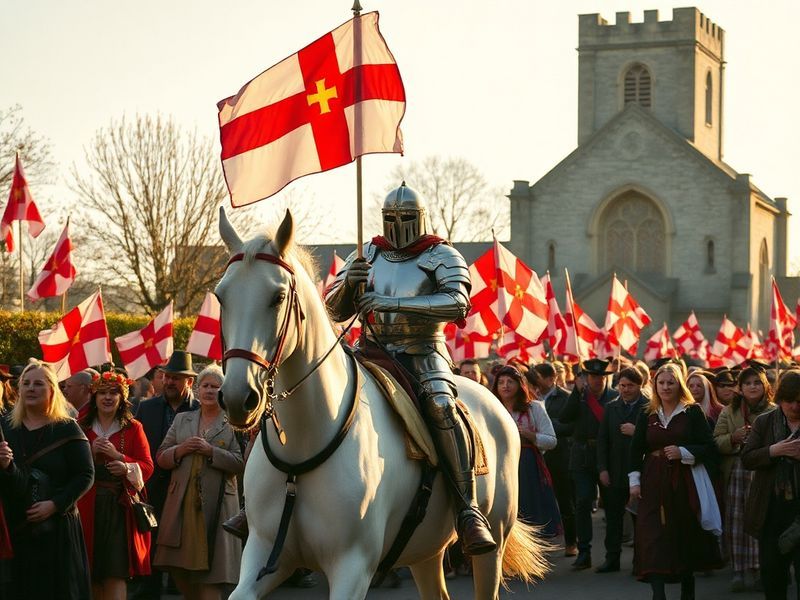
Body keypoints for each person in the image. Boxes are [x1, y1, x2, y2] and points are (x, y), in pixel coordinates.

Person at [325, 183, 496, 555]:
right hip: (370, 350)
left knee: (441, 406)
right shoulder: (368, 252)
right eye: (391, 218)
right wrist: (348, 286)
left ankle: (467, 508)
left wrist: (393, 301)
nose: (397, 224)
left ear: (419, 218)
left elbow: (458, 303)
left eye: (404, 217)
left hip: (422, 351)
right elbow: (334, 311)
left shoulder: (441, 254)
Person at [0, 360, 95, 599]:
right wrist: (5, 466)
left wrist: (55, 504)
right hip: (15, 528)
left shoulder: (67, 428)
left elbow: (85, 475)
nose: (31, 388)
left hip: (56, 529)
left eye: (39, 384)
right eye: (26, 384)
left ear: (52, 390)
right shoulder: (5, 427)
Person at [629, 362, 722, 600]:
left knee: (683, 531)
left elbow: (708, 447)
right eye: (661, 383)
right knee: (652, 534)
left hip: (684, 481)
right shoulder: (646, 412)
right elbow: (635, 450)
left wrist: (684, 452)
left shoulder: (691, 411)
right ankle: (657, 593)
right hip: (652, 480)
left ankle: (686, 587)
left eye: (671, 382)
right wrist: (634, 481)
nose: (666, 387)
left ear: (679, 384)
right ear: (655, 385)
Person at [153, 365, 243, 600]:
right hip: (181, 506)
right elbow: (161, 457)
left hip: (218, 508)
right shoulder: (183, 419)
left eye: (216, 386)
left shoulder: (234, 422)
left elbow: (241, 463)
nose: (210, 391)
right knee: (179, 572)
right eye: (205, 386)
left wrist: (211, 452)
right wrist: (180, 450)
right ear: (197, 389)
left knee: (212, 577)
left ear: (223, 392)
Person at [76, 370, 154, 599]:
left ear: (122, 398)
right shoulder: (80, 426)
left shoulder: (133, 427)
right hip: (85, 506)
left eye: (113, 393)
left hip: (118, 509)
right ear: (94, 397)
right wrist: (89, 452)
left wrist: (122, 460)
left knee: (115, 571)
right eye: (102, 393)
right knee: (88, 569)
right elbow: (67, 465)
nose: (107, 398)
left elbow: (148, 466)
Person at [133, 351, 199, 599]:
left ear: (189, 382)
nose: (170, 382)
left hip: (186, 487)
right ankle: (148, 588)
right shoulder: (146, 408)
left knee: (180, 540)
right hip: (153, 486)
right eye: (167, 376)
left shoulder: (200, 409)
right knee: (151, 536)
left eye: (176, 378)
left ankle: (178, 584)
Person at [714, 365, 775, 592]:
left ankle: (760, 569)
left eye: (757, 383)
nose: (752, 387)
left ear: (765, 386)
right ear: (740, 387)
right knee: (736, 521)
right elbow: (716, 440)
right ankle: (738, 571)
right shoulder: (729, 411)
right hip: (736, 472)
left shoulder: (774, 411)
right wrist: (733, 438)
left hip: (762, 472)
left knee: (761, 519)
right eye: (747, 383)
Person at [742, 369, 800, 600]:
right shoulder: (765, 422)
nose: (795, 407)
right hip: (771, 509)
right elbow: (747, 458)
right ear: (780, 400)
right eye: (789, 401)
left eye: (799, 401)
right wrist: (773, 451)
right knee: (773, 575)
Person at [559, 358, 619, 569]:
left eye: (601, 377)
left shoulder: (614, 397)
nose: (597, 381)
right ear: (585, 377)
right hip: (582, 456)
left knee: (612, 506)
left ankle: (613, 554)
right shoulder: (578, 396)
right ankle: (584, 551)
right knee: (583, 501)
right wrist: (576, 392)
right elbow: (565, 417)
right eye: (593, 376)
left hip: (608, 457)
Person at [492, 365, 561, 536]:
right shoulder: (491, 409)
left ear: (520, 384)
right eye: (501, 382)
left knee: (530, 513)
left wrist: (531, 435)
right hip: (498, 466)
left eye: (510, 382)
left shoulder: (534, 408)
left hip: (527, 465)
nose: (505, 386)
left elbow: (551, 441)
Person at [595, 366, 647, 573]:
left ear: (640, 386)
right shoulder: (611, 407)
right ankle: (612, 559)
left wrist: (637, 432)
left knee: (641, 519)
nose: (625, 390)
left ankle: (641, 561)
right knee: (614, 518)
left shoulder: (648, 407)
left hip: (640, 471)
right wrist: (603, 469)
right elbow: (602, 441)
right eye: (622, 385)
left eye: (630, 386)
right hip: (615, 471)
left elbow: (656, 439)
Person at [535, 361, 577, 556]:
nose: (535, 380)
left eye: (539, 377)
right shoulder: (530, 398)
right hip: (535, 456)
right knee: (538, 501)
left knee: (565, 501)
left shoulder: (566, 398)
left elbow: (570, 426)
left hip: (560, 456)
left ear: (551, 378)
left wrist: (546, 427)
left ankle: (571, 543)